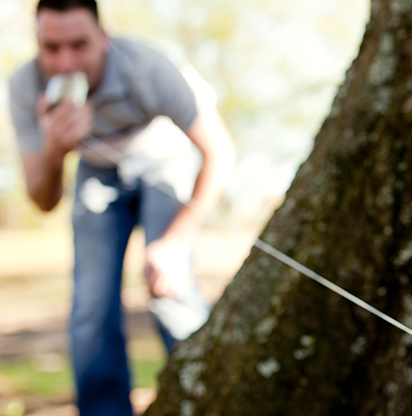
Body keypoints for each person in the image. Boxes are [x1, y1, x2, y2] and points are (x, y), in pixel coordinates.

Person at [8, 0, 236, 414]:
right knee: (91, 307)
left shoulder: (149, 68)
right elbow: (43, 200)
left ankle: (205, 400)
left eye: (79, 45)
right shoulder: (25, 86)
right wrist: (56, 151)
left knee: (170, 290)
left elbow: (219, 155)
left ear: (103, 39)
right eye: (51, 48)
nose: (66, 63)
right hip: (98, 174)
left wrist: (173, 242)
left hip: (166, 161)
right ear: (37, 44)